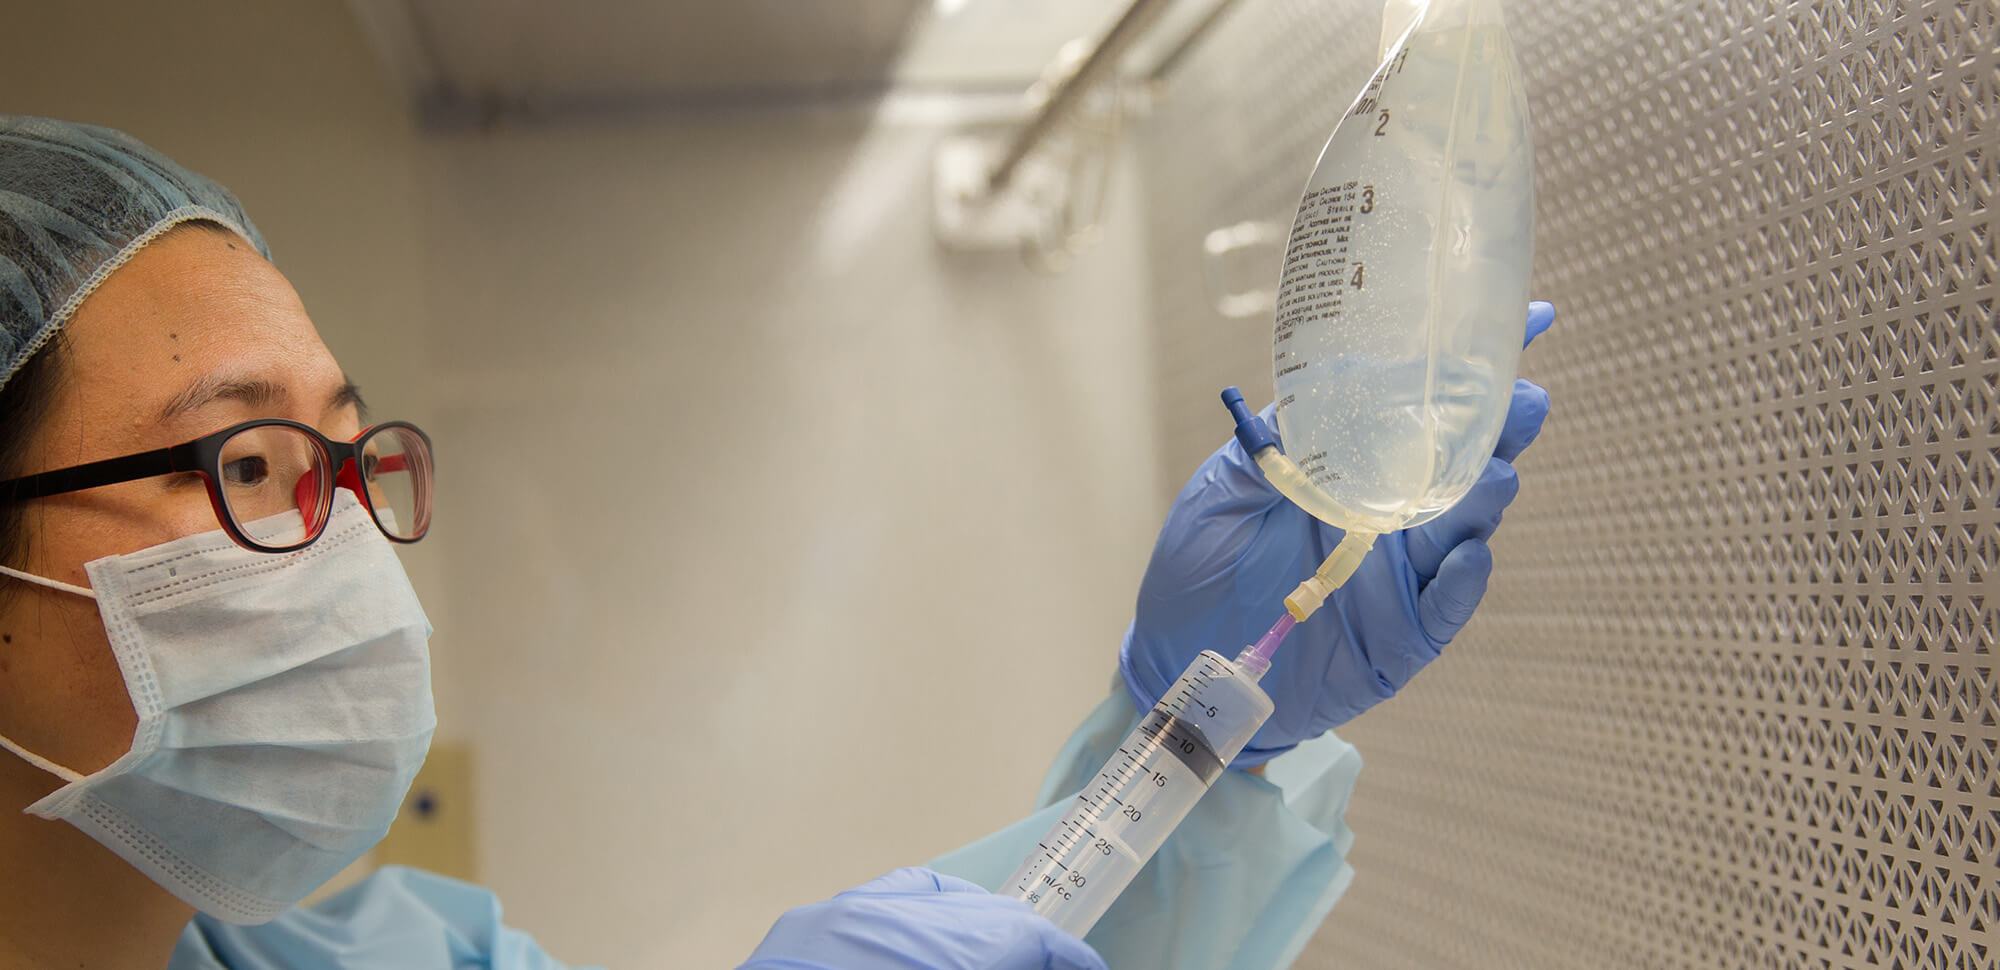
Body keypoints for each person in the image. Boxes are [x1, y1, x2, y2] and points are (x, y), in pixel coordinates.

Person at [0, 116, 1552, 970]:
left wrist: (1192, 734)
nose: (343, 541)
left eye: (348, 454)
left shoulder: (363, 961)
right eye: (251, 459)